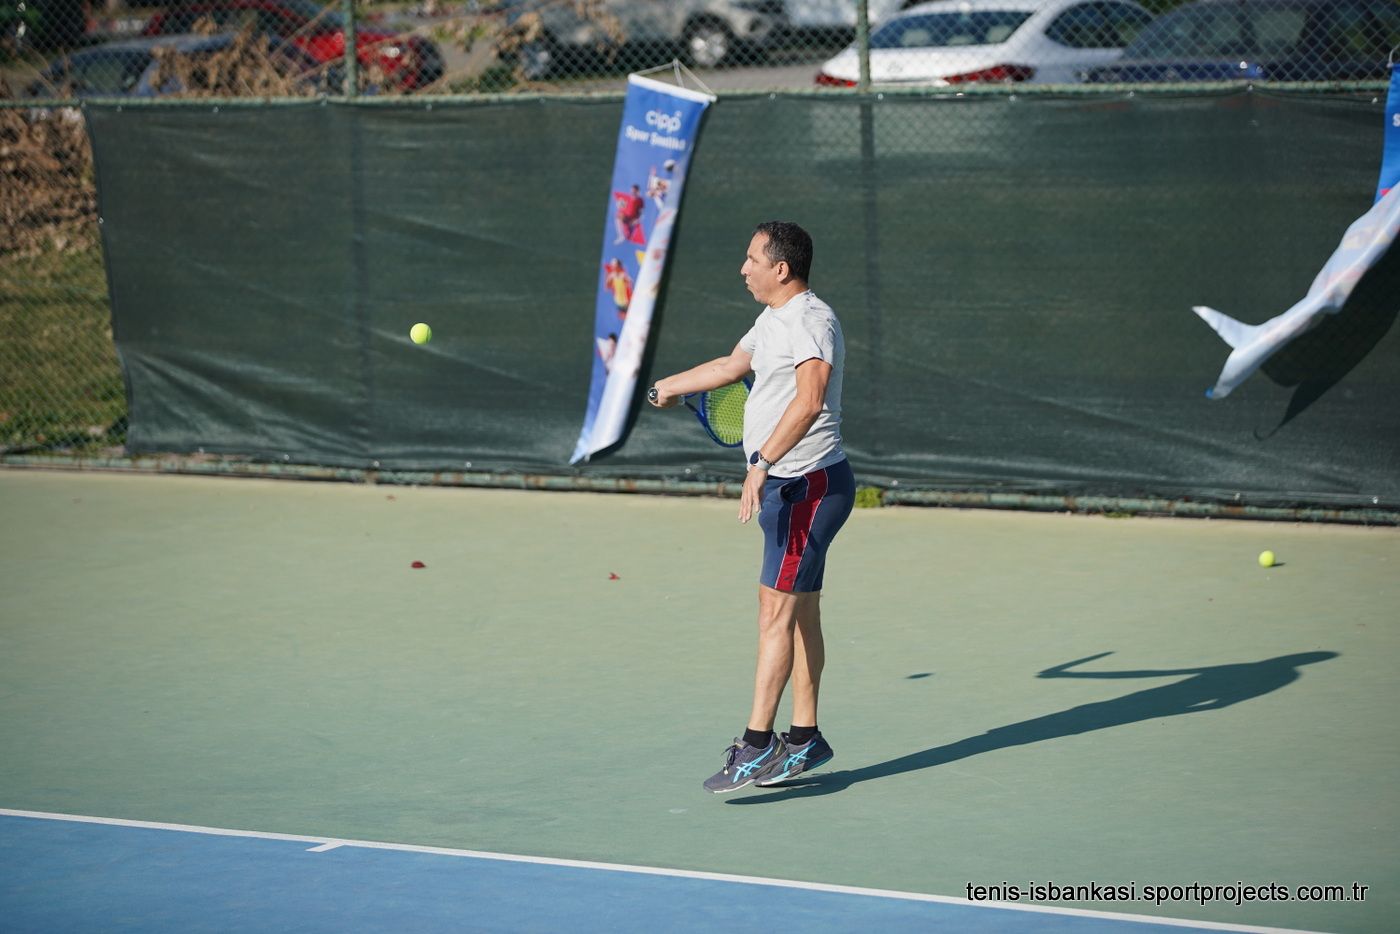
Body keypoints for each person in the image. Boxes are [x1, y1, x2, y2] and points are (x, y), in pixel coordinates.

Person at [648, 221, 854, 793]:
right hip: (792, 488)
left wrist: (761, 463)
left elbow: (810, 401)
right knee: (799, 613)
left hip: (807, 487)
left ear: (780, 269)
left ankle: (757, 744)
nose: (743, 269)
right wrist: (669, 385)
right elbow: (730, 366)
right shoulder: (773, 319)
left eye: (752, 259)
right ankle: (805, 738)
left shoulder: (811, 321)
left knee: (775, 613)